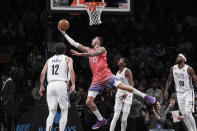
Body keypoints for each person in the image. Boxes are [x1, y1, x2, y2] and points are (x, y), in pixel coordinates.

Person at [58, 28, 155, 129]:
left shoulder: (102, 49)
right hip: (96, 79)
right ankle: (101, 120)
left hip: (106, 75)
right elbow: (75, 43)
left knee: (126, 87)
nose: (92, 39)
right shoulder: (88, 49)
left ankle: (146, 97)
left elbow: (93, 54)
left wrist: (80, 54)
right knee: (88, 102)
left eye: (94, 38)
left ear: (98, 41)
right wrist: (65, 35)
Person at [39, 43, 75, 131]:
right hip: (61, 84)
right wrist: (73, 84)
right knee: (64, 110)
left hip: (50, 85)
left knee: (51, 112)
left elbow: (43, 73)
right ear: (65, 50)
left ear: (56, 51)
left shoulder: (49, 60)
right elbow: (71, 70)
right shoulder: (68, 58)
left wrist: (41, 86)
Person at [164, 54, 197, 131]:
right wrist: (166, 90)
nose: (177, 58)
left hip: (188, 92)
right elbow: (169, 80)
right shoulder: (173, 68)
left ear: (184, 59)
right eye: (177, 56)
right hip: (179, 93)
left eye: (179, 57)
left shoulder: (189, 68)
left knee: (188, 113)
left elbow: (195, 80)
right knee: (185, 115)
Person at [110, 58, 134, 131]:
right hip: (119, 94)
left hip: (128, 94)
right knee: (116, 116)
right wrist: (116, 91)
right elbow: (118, 85)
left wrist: (126, 94)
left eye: (120, 60)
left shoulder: (127, 71)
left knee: (124, 119)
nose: (118, 61)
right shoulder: (117, 73)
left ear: (124, 64)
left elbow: (132, 85)